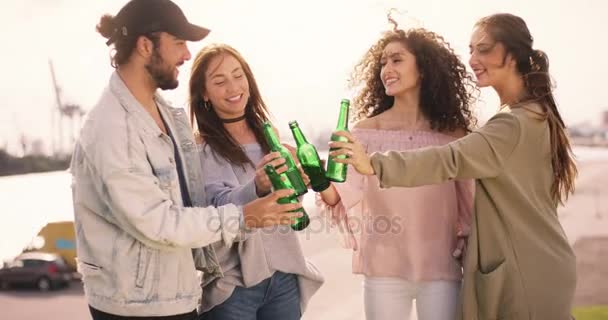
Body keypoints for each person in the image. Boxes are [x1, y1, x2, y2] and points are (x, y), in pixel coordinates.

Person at [331, 13, 578, 320]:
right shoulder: (535, 114)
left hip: (523, 270)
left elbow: (448, 159)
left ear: (512, 55)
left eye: (484, 49)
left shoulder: (511, 123)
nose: (473, 58)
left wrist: (374, 164)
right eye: (471, 49)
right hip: (539, 263)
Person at [70, 1, 302, 319]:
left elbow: (192, 205)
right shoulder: (112, 128)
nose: (187, 55)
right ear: (144, 45)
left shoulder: (166, 114)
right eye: (179, 43)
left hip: (175, 296)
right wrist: (245, 216)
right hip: (134, 307)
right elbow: (159, 222)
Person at [315, 18, 476, 320]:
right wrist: (313, 174)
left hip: (442, 269)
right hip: (384, 270)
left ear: (424, 68)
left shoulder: (454, 137)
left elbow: (470, 208)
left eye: (397, 60)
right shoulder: (365, 132)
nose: (387, 69)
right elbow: (339, 196)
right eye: (383, 62)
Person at [188, 43, 324, 320]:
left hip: (284, 277)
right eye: (220, 81)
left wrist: (301, 181)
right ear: (204, 93)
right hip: (234, 286)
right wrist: (257, 187)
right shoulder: (201, 148)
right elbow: (217, 205)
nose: (233, 87)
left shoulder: (270, 137)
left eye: (238, 75)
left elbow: (288, 207)